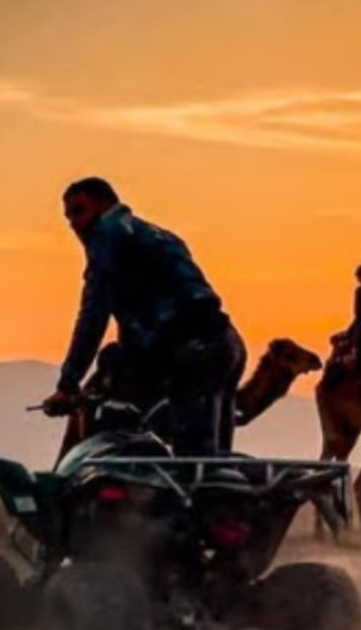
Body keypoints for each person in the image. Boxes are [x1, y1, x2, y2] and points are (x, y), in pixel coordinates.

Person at [42, 177, 247, 455]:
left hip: (194, 351)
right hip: (225, 344)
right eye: (68, 217)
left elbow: (93, 315)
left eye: (79, 211)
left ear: (104, 204)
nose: (74, 224)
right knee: (214, 466)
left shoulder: (108, 237)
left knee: (192, 465)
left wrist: (68, 384)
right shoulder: (159, 235)